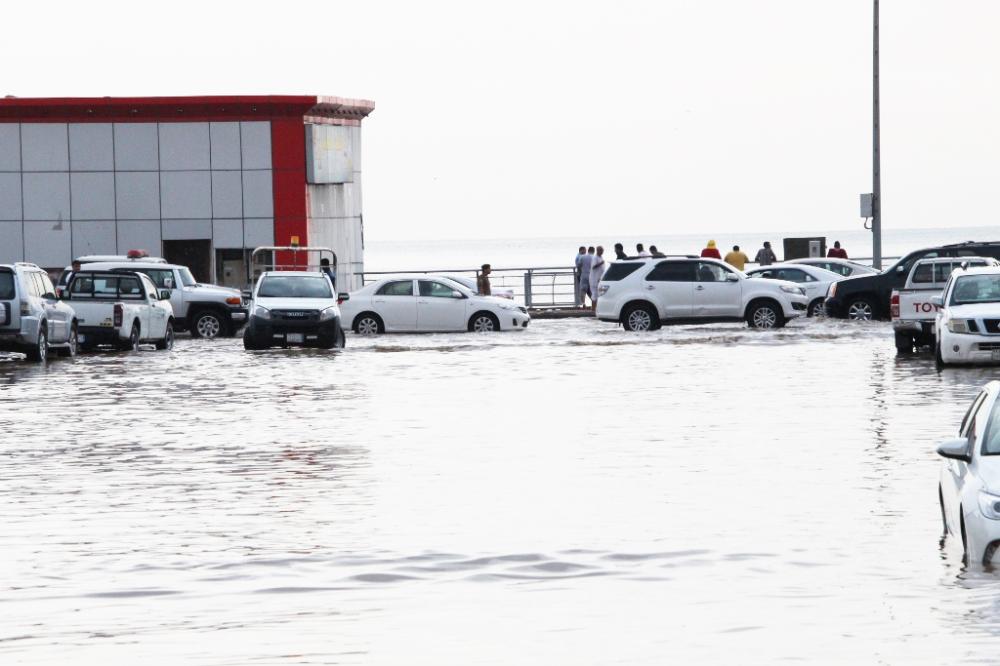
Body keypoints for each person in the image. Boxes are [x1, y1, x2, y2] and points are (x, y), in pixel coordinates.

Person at [589, 246, 607, 311]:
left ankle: (596, 308)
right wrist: (600, 263)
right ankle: (593, 309)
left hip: (599, 279)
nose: (602, 252)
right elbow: (593, 266)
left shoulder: (600, 257)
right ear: (598, 250)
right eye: (601, 250)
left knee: (599, 294)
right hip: (594, 279)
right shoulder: (595, 258)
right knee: (594, 294)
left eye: (603, 251)